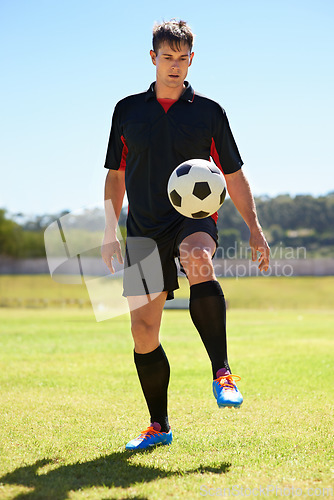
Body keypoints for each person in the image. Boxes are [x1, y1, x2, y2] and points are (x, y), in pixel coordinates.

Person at [102, 19, 270, 450]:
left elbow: (233, 174)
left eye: (182, 58)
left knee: (198, 258)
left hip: (192, 218)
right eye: (167, 57)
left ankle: (223, 372)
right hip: (142, 227)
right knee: (143, 331)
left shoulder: (209, 111)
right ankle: (159, 426)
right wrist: (108, 228)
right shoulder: (127, 111)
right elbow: (115, 175)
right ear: (153, 57)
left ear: (191, 60)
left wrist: (255, 227)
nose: (175, 66)